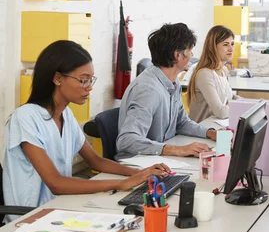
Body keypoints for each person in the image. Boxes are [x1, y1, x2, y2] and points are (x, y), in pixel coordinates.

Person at [2, 41, 169, 221]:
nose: (89, 87)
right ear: (57, 78)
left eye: (91, 79)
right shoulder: (25, 118)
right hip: (30, 219)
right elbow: (55, 183)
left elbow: (95, 161)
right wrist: (122, 183)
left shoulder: (66, 114)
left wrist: (139, 174)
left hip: (60, 207)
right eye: (83, 80)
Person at [116, 23, 217, 160]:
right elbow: (127, 141)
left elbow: (181, 123)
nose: (192, 55)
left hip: (161, 159)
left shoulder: (173, 83)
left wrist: (210, 133)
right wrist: (178, 149)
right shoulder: (148, 90)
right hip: (139, 163)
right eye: (189, 50)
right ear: (177, 55)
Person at [188, 25, 239, 123]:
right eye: (225, 44)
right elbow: (221, 112)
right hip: (202, 130)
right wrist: (243, 108)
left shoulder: (224, 70)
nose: (231, 48)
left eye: (232, 44)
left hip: (216, 126)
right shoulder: (205, 74)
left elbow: (231, 97)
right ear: (213, 47)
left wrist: (251, 103)